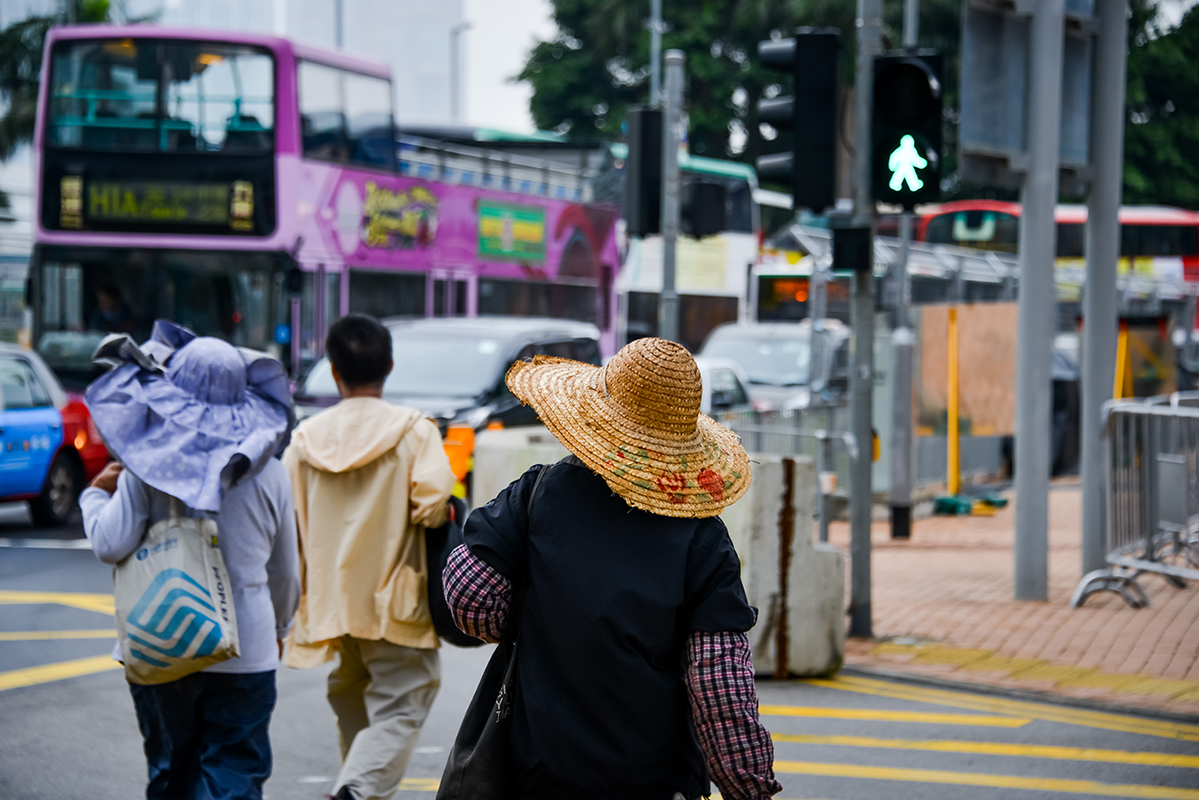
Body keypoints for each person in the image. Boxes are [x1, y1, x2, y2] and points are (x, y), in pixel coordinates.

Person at [443, 337, 782, 800]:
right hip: (648, 781)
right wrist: (751, 788)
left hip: (534, 771)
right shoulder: (702, 540)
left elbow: (470, 598)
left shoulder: (538, 494)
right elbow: (719, 686)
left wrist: (534, 618)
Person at [80, 320, 299, 800]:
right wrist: (281, 630)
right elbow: (285, 572)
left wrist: (93, 497)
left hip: (162, 644)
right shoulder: (272, 473)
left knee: (170, 774)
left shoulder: (142, 468)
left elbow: (108, 544)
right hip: (249, 649)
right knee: (234, 774)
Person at [282, 315, 455, 800]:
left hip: (331, 599)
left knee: (351, 695)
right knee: (404, 700)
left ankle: (354, 788)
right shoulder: (413, 431)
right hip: (394, 595)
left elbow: (288, 522)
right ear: (390, 366)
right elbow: (433, 502)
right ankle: (355, 792)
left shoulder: (303, 440)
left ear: (334, 371)